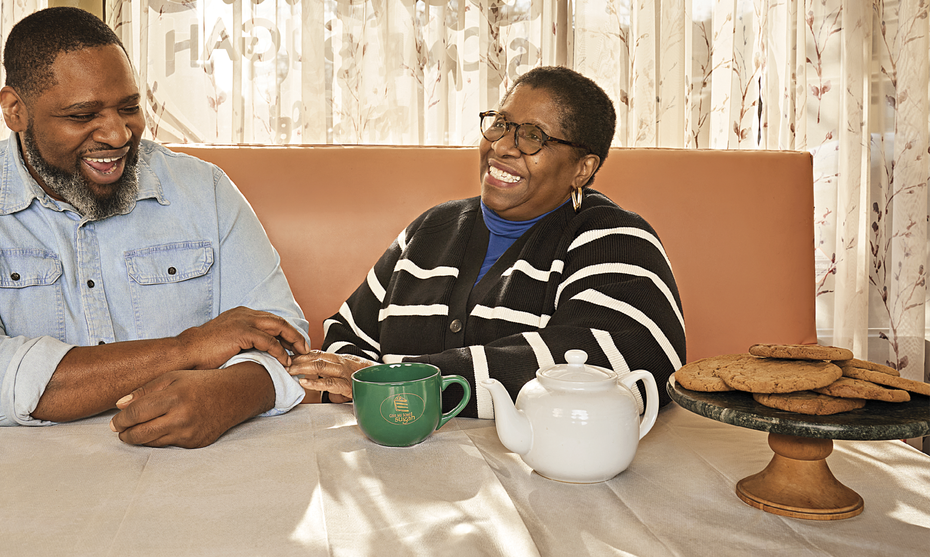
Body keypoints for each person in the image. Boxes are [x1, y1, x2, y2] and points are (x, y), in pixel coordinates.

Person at [0, 6, 308, 448]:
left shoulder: (206, 191)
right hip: (16, 487)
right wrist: (184, 350)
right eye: (82, 115)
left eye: (129, 108)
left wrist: (233, 395)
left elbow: (285, 339)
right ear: (15, 111)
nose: (117, 135)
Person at [288, 66, 685, 416]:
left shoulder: (614, 240)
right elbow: (349, 335)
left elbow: (622, 363)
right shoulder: (431, 230)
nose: (501, 146)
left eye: (533, 136)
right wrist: (350, 381)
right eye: (500, 124)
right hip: (394, 472)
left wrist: (401, 383)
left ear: (582, 169)